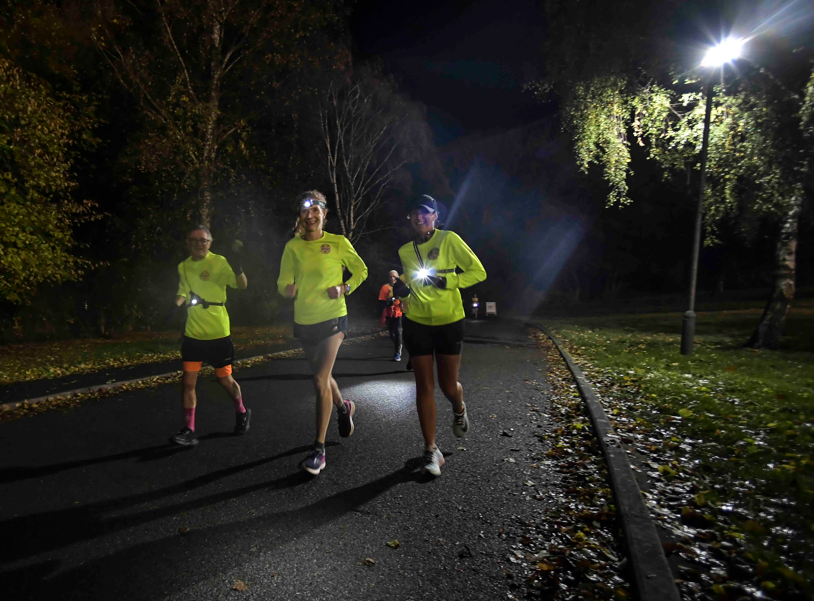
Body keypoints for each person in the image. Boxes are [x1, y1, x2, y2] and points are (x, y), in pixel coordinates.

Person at [393, 195, 487, 476]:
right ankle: (431, 450)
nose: (418, 217)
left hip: (449, 320)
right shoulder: (405, 251)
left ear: (435, 216)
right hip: (416, 322)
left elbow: (478, 272)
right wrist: (402, 291)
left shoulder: (449, 239)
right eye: (414, 213)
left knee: (448, 386)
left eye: (424, 212)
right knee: (424, 386)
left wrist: (449, 281)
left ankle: (459, 408)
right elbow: (410, 281)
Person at [277, 190, 368, 475]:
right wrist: (287, 289)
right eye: (306, 211)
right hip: (305, 319)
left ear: (324, 214)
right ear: (300, 216)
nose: (311, 215)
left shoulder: (338, 243)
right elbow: (282, 281)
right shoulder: (292, 246)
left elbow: (361, 271)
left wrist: (344, 288)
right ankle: (344, 407)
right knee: (324, 376)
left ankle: (318, 450)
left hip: (333, 317)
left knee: (319, 380)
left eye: (316, 210)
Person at [169, 225, 249, 447]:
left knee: (225, 380)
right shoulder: (183, 266)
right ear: (187, 243)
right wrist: (173, 306)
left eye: (203, 240)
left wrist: (238, 267)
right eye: (194, 240)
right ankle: (189, 430)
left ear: (210, 242)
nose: (198, 244)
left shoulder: (219, 262)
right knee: (188, 383)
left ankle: (241, 411)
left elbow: (241, 285)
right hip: (193, 333)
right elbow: (183, 291)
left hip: (218, 333)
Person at [378, 270, 404, 361]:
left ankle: (397, 352)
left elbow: (406, 297)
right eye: (390, 277)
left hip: (399, 313)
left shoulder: (401, 287)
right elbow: (381, 301)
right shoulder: (385, 287)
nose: (392, 278)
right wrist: (388, 301)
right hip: (389, 313)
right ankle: (399, 344)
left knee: (398, 332)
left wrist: (401, 302)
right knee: (392, 334)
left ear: (397, 278)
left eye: (394, 277)